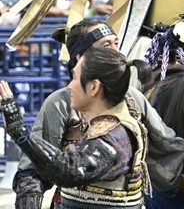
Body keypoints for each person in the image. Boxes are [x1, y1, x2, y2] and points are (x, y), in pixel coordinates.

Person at [12, 19, 184, 208]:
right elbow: (32, 172)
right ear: (81, 58)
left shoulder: (134, 98)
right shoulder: (60, 103)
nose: (115, 50)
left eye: (116, 43)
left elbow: (172, 149)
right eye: (105, 45)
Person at [1, 47, 151, 208]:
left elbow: (68, 171)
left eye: (75, 78)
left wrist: (20, 131)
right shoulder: (102, 126)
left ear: (94, 87)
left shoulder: (115, 135)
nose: (70, 85)